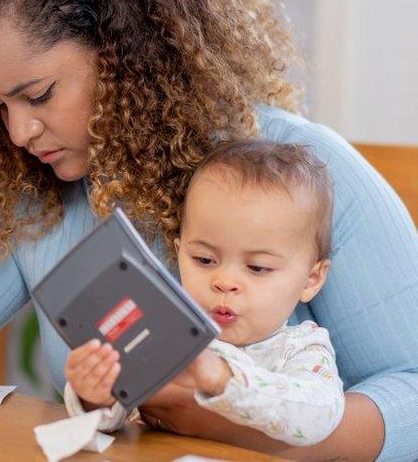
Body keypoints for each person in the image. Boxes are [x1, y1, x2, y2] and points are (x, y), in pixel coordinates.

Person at [0, 0, 418, 458]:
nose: (19, 132)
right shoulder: (37, 195)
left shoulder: (304, 172)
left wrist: (248, 431)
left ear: (128, 52)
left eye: (39, 94)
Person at [64, 140, 344, 447]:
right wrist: (97, 397)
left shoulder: (302, 348)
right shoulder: (165, 333)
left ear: (310, 280)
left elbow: (318, 419)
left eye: (257, 267)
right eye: (205, 260)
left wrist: (223, 378)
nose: (224, 281)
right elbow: (113, 421)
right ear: (179, 253)